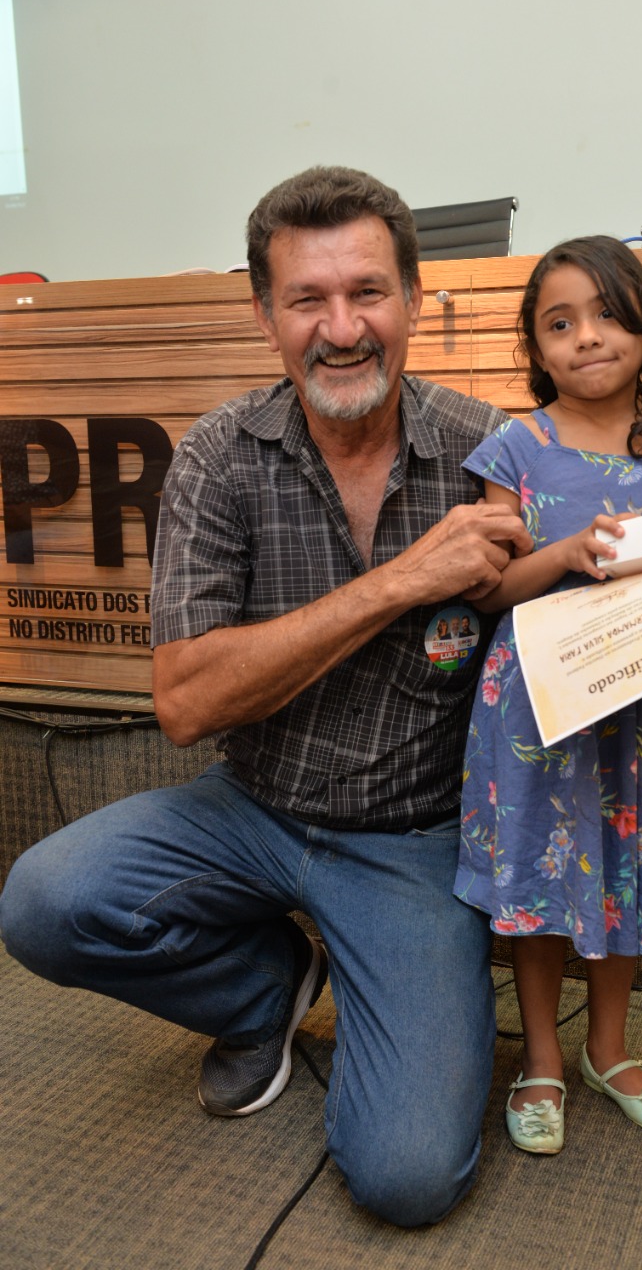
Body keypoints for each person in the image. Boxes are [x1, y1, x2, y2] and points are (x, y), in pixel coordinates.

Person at [0, 166, 532, 1225]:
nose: (342, 328)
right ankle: (263, 988)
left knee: (407, 1176)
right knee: (41, 901)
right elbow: (185, 702)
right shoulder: (217, 456)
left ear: (412, 297)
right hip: (251, 806)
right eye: (306, 300)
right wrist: (402, 580)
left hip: (413, 838)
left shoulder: (493, 453)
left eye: (368, 292)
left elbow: (571, 625)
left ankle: (380, 996)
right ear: (263, 314)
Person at [454, 236, 642, 1155]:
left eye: (608, 314)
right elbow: (488, 591)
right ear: (536, 349)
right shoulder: (515, 447)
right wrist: (567, 553)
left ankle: (607, 1051)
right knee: (540, 880)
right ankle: (541, 1058)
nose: (587, 337)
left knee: (621, 878)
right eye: (560, 323)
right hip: (538, 708)